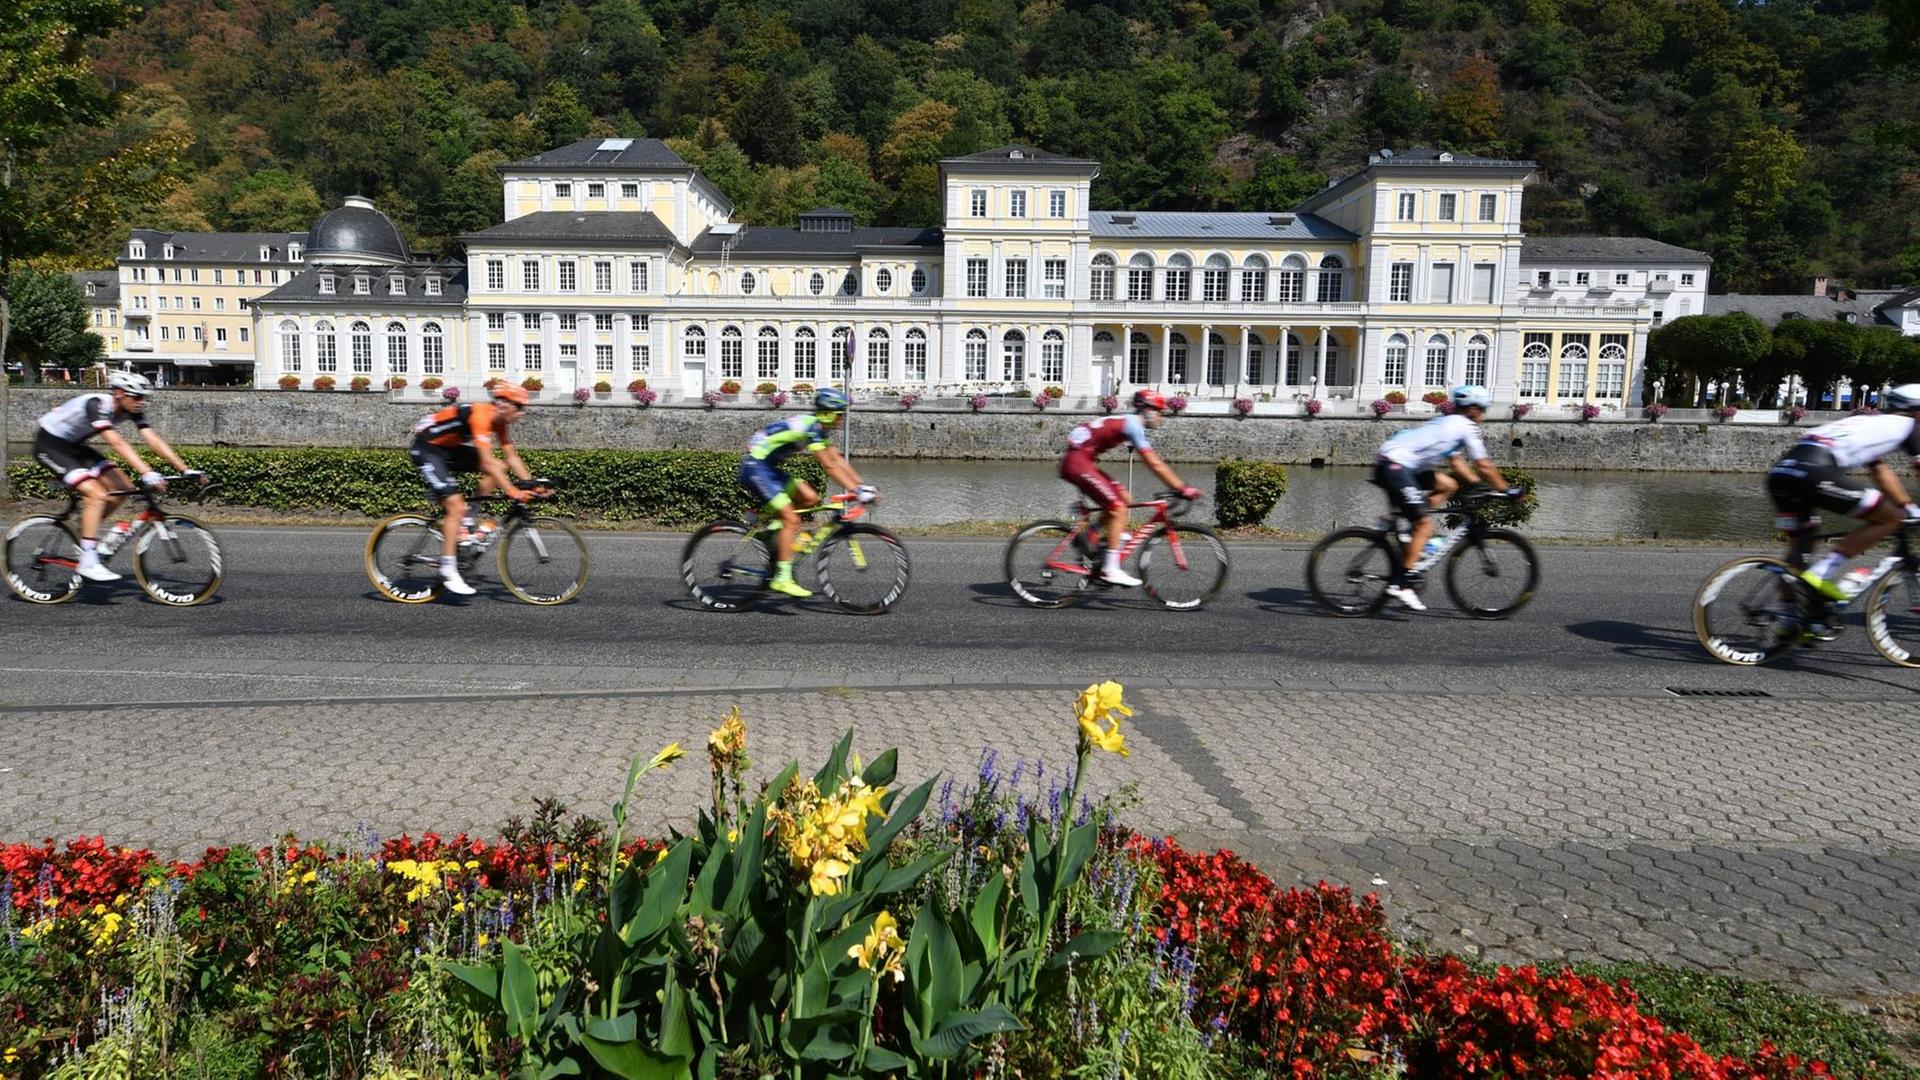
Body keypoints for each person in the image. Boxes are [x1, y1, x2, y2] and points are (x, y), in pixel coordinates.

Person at [32, 371, 196, 583]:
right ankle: (88, 559)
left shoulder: (131, 408)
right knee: (97, 495)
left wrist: (185, 469)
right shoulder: (97, 405)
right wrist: (146, 472)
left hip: (75, 447)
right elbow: (116, 443)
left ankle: (85, 535)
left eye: (143, 398)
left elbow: (151, 438)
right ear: (119, 393)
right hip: (50, 445)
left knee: (123, 487)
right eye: (136, 397)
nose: (141, 402)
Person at [1766, 383, 1920, 601]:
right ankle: (1822, 573)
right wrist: (1906, 510)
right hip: (1814, 472)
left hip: (1780, 475)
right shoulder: (1910, 425)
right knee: (1891, 519)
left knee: (1801, 546)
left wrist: (1907, 505)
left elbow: (1879, 471)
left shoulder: (1867, 424)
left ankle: (1791, 618)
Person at [1372, 384, 1518, 612]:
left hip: (1400, 465)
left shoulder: (1449, 423)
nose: (1483, 415)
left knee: (1448, 484)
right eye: (1482, 410)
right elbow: (1484, 465)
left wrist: (1477, 485)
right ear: (1472, 409)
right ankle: (1402, 585)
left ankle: (1410, 523)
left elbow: (1457, 462)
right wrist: (1507, 490)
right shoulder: (1466, 426)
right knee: (1423, 525)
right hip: (1396, 467)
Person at [1059, 389, 1203, 588]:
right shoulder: (1134, 425)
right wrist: (1182, 487)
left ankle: (1090, 535)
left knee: (1125, 499)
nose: (1161, 417)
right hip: (1078, 463)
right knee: (1118, 508)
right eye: (1160, 412)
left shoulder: (1129, 421)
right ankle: (1110, 569)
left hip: (1081, 460)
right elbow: (1154, 463)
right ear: (1147, 410)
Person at [739, 387, 874, 598]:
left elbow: (837, 459)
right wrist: (856, 490)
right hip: (755, 465)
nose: (841, 420)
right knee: (792, 520)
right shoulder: (812, 428)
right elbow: (829, 466)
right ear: (827, 413)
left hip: (768, 466)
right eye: (839, 415)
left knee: (810, 497)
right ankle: (782, 579)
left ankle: (771, 526)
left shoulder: (818, 429)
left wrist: (863, 485)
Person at [409, 381, 541, 596]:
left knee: (499, 467)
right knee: (455, 506)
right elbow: (486, 461)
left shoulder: (499, 422)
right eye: (520, 407)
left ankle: (468, 522)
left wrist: (534, 484)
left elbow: (511, 457)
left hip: (448, 449)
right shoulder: (481, 415)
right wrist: (513, 492)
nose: (521, 414)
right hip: (427, 448)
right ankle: (448, 569)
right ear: (505, 404)